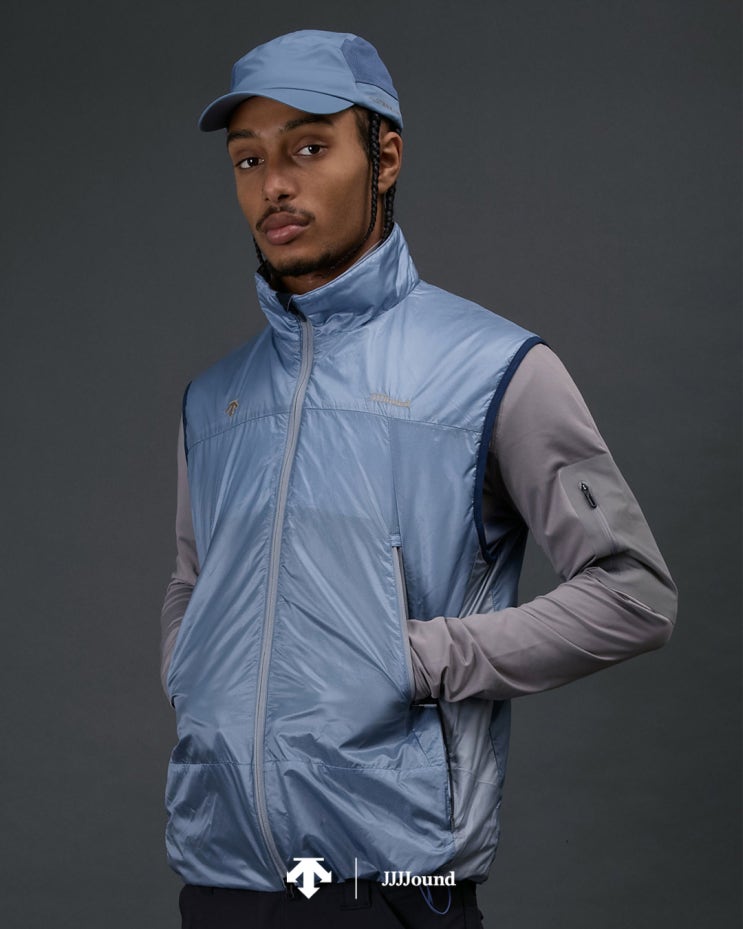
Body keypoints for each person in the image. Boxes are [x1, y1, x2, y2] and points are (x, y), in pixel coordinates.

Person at [160, 29, 677, 929]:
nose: (273, 184)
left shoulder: (492, 369)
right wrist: (194, 670)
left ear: (385, 156)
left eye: (307, 148)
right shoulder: (214, 400)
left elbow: (635, 594)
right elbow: (190, 580)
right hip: (219, 878)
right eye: (248, 159)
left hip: (387, 888)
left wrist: (413, 658)